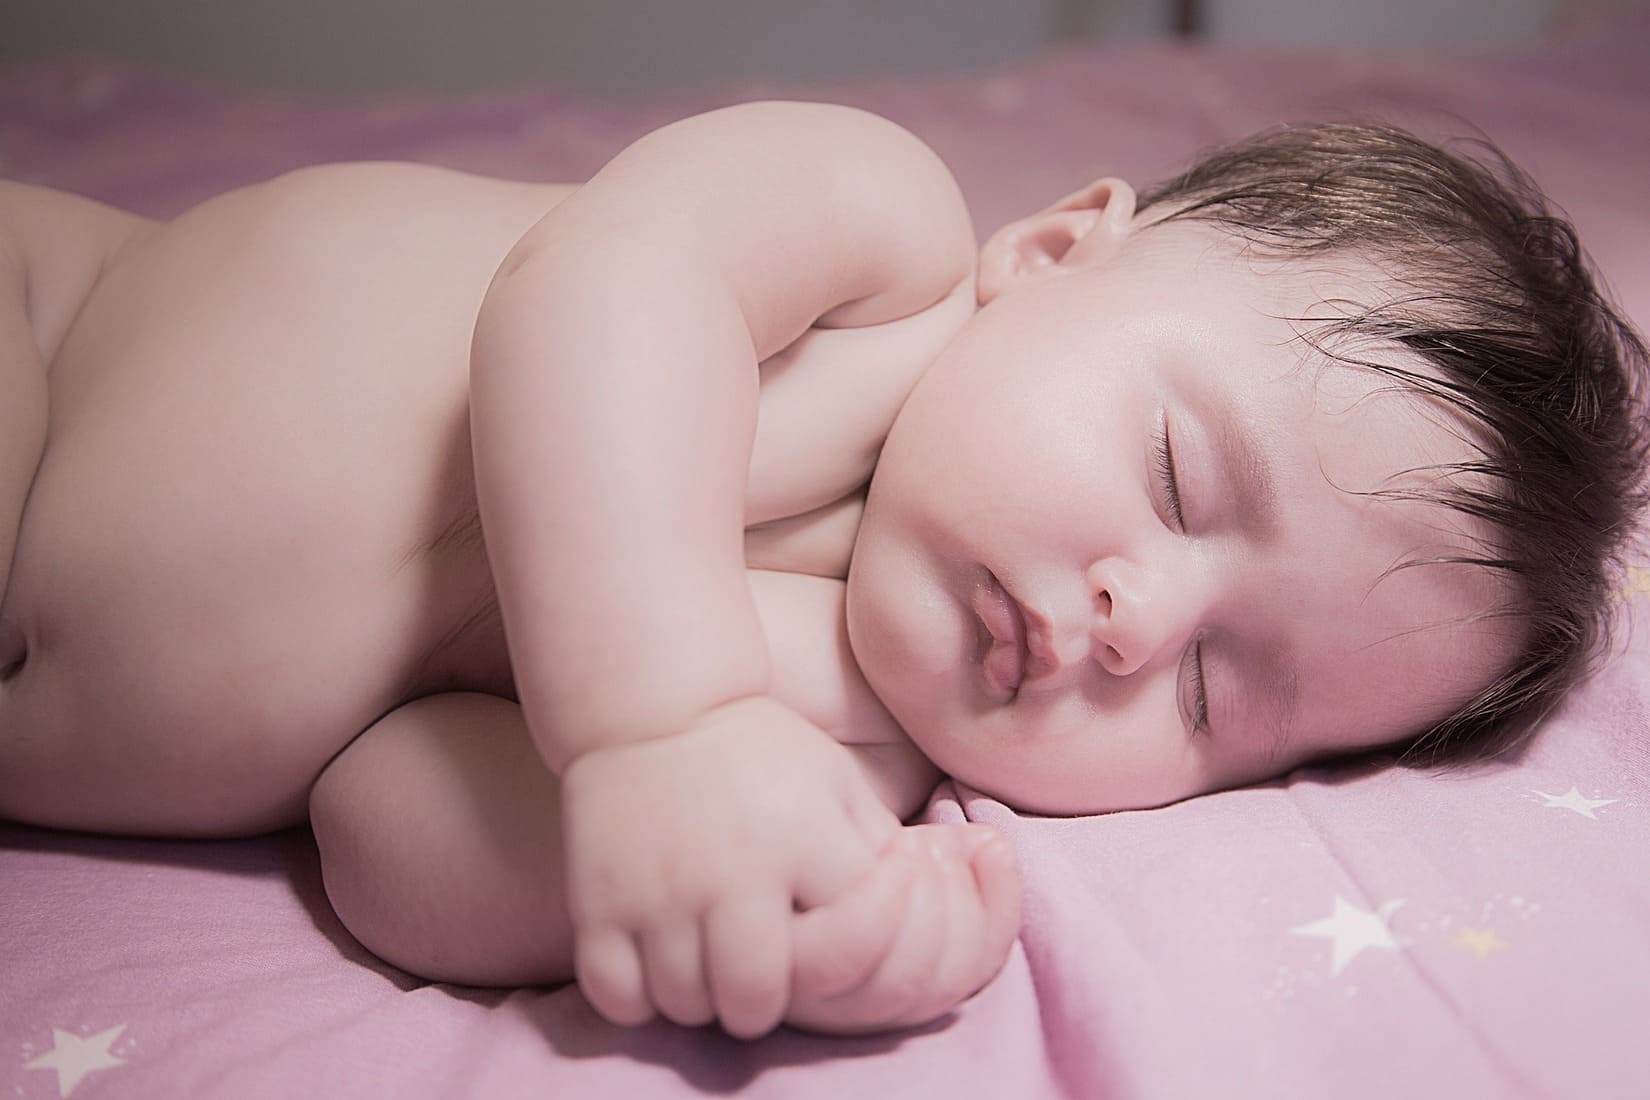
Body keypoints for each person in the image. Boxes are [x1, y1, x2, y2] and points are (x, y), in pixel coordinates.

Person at [0, 102, 1643, 1039]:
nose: (1138, 625)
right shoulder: (876, 245)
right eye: (1172, 475)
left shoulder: (838, 752)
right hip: (48, 329)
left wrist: (748, 922)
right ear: (1056, 251)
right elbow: (591, 287)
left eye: (1221, 692)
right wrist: (656, 725)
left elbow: (379, 828)